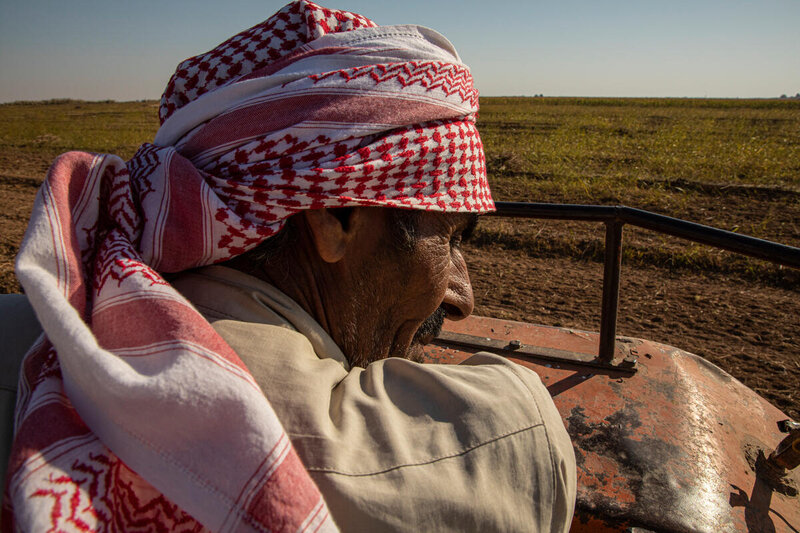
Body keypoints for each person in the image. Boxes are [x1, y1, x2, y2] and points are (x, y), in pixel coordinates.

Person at [2, 1, 576, 531]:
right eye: (450, 238)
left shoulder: (49, 328)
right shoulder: (273, 432)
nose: (462, 294)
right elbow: (517, 440)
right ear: (335, 216)